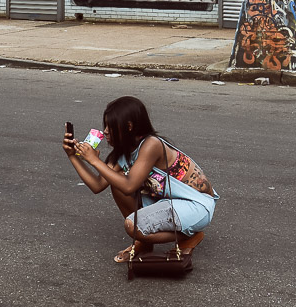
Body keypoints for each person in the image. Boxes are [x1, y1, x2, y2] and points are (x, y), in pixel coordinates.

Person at [63, 96, 217, 263]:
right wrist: (73, 157)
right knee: (117, 183)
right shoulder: (122, 152)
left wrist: (94, 160)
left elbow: (130, 186)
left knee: (132, 226)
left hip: (195, 205)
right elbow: (98, 185)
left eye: (111, 126)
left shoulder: (152, 144)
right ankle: (144, 242)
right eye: (105, 125)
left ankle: (188, 237)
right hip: (167, 203)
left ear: (129, 126)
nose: (106, 131)